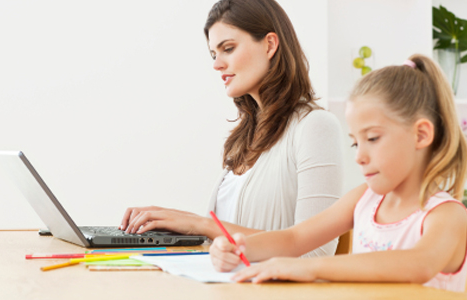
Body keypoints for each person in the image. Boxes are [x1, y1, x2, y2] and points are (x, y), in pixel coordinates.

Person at [209, 54, 467, 292]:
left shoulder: (447, 215)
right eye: (356, 142)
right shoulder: (364, 199)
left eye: (373, 138)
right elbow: (295, 238)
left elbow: (418, 264)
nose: (359, 156)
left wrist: (308, 268)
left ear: (421, 135)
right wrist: (240, 246)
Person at [119, 0, 344, 257]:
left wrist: (201, 224)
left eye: (228, 48)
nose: (217, 64)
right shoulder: (244, 137)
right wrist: (174, 230)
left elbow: (316, 253)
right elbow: (220, 247)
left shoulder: (315, 127)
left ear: (270, 45)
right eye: (214, 54)